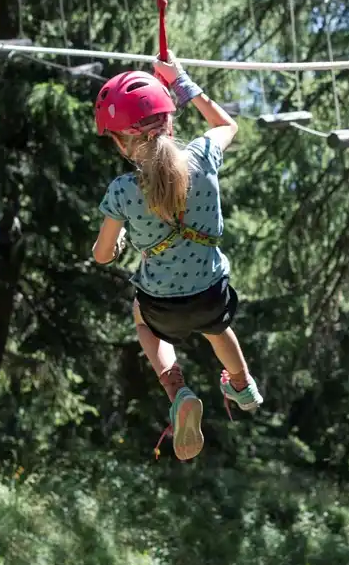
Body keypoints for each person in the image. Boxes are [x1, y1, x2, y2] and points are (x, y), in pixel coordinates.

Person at [92, 53, 264, 462]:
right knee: (216, 326)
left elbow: (101, 255)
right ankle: (241, 384)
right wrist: (181, 79)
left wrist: (113, 249)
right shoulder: (203, 157)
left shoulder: (122, 191)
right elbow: (227, 125)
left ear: (120, 142)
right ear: (169, 121)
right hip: (210, 297)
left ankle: (177, 390)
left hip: (161, 306)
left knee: (141, 317)